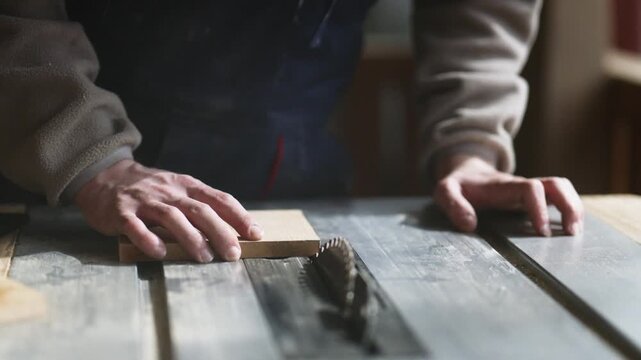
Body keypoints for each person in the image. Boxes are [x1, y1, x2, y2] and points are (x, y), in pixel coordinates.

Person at [0, 0, 583, 263]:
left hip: (287, 162)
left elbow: (477, 10)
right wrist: (88, 157)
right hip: (41, 170)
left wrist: (471, 144)